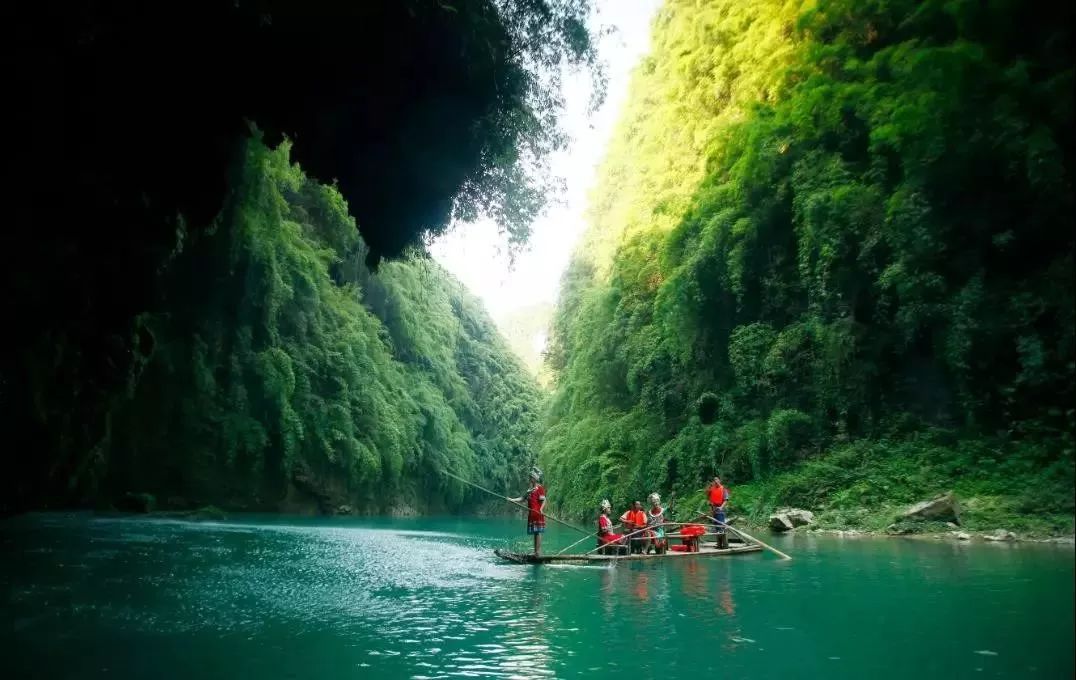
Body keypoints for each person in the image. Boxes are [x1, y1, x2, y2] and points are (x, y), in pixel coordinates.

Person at [509, 467, 546, 556]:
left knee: (538, 533)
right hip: (531, 514)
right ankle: (535, 552)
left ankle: (538, 552)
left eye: (531, 477)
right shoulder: (529, 490)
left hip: (537, 513)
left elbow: (544, 500)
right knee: (535, 533)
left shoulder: (539, 488)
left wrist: (541, 509)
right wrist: (512, 500)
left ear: (535, 479)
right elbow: (522, 498)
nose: (530, 479)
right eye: (530, 477)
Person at [708, 475, 729, 548]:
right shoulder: (712, 490)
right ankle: (719, 544)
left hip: (720, 510)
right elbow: (710, 501)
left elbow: (726, 500)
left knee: (721, 528)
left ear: (719, 481)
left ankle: (725, 545)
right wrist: (711, 510)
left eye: (717, 480)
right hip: (714, 510)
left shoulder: (723, 489)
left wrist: (721, 507)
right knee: (716, 528)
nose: (716, 481)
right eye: (714, 480)